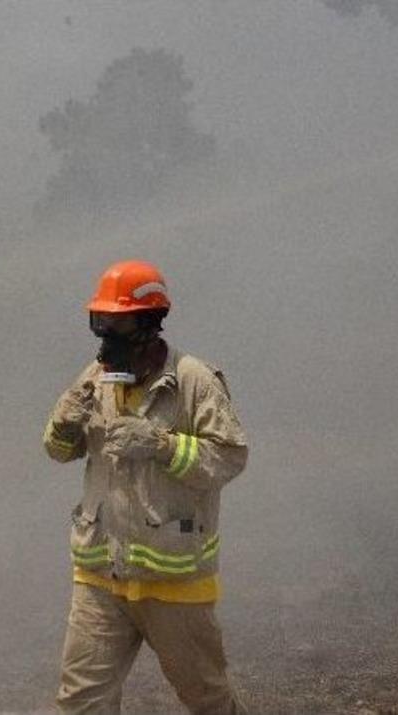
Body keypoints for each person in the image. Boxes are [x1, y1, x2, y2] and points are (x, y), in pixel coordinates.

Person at [44, 259, 249, 714]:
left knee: (207, 699)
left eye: (118, 322)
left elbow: (230, 457)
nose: (106, 335)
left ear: (150, 322)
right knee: (81, 702)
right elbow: (58, 451)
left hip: (173, 581)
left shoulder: (194, 381)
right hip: (101, 576)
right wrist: (64, 421)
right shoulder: (95, 379)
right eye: (101, 321)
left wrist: (161, 445)